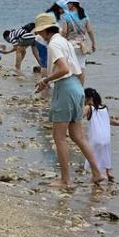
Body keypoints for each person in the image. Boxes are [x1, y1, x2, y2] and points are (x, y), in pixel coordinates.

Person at [33, 12, 104, 189]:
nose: (39, 36)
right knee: (77, 136)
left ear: (44, 31)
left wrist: (45, 80)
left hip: (65, 88)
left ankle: (65, 180)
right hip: (77, 87)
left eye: (40, 32)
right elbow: (78, 71)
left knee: (59, 137)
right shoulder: (64, 41)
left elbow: (63, 68)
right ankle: (96, 172)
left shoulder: (54, 44)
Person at [83, 87, 119, 182]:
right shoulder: (104, 107)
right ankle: (109, 172)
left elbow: (79, 115)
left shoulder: (88, 108)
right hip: (106, 138)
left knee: (92, 155)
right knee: (106, 153)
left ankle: (95, 174)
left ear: (89, 98)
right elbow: (109, 121)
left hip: (95, 137)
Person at [63, 0, 96, 81]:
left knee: (70, 68)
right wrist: (93, 43)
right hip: (82, 46)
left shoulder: (66, 16)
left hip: (70, 45)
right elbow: (89, 31)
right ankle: (81, 89)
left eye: (68, 4)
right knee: (81, 68)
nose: (67, 5)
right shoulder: (85, 15)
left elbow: (64, 32)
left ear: (72, 4)